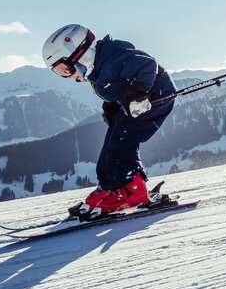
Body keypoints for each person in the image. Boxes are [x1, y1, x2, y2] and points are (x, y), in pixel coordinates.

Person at [42, 24, 176, 220]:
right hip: (133, 104)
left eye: (64, 69)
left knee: (121, 145)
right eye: (60, 72)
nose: (67, 76)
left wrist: (139, 95)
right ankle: (109, 187)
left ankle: (132, 191)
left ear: (79, 53)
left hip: (153, 100)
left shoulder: (112, 60)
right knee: (110, 146)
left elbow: (147, 65)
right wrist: (112, 106)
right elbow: (118, 84)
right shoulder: (99, 66)